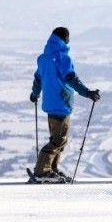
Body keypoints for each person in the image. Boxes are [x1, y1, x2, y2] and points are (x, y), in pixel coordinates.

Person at [29, 27, 100, 181]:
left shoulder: (43, 58)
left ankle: (51, 169)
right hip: (62, 104)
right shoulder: (63, 58)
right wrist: (88, 93)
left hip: (50, 105)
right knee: (59, 140)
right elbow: (72, 79)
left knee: (57, 139)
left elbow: (38, 80)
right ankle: (42, 171)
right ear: (64, 39)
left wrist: (34, 95)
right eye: (68, 37)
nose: (69, 40)